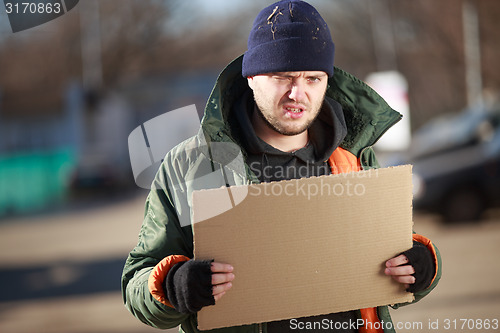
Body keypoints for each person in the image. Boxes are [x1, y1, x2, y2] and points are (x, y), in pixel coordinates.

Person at [121, 1, 442, 332]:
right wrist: (174, 286)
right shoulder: (191, 165)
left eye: (313, 79)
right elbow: (138, 280)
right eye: (281, 76)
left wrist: (423, 266)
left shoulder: (354, 158)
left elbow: (395, 256)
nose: (297, 93)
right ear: (251, 78)